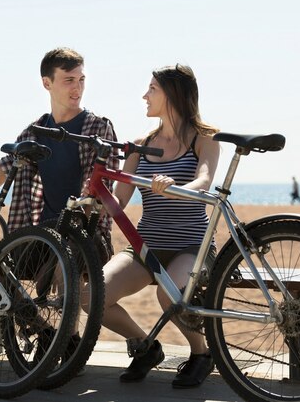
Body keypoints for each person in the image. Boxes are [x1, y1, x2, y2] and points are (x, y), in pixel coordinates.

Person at [98, 64, 220, 389]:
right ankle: (146, 346)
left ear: (173, 94)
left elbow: (205, 181)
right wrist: (91, 201)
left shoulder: (203, 139)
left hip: (191, 247)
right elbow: (118, 201)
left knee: (171, 297)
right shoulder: (141, 143)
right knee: (92, 296)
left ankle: (201, 353)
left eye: (152, 88)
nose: (144, 95)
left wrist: (178, 189)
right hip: (145, 247)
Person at [0, 47, 118, 246]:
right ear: (47, 83)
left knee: (60, 274)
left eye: (81, 80)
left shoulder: (97, 129)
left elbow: (99, 199)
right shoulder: (34, 133)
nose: (77, 88)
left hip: (85, 239)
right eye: (69, 80)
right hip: (42, 238)